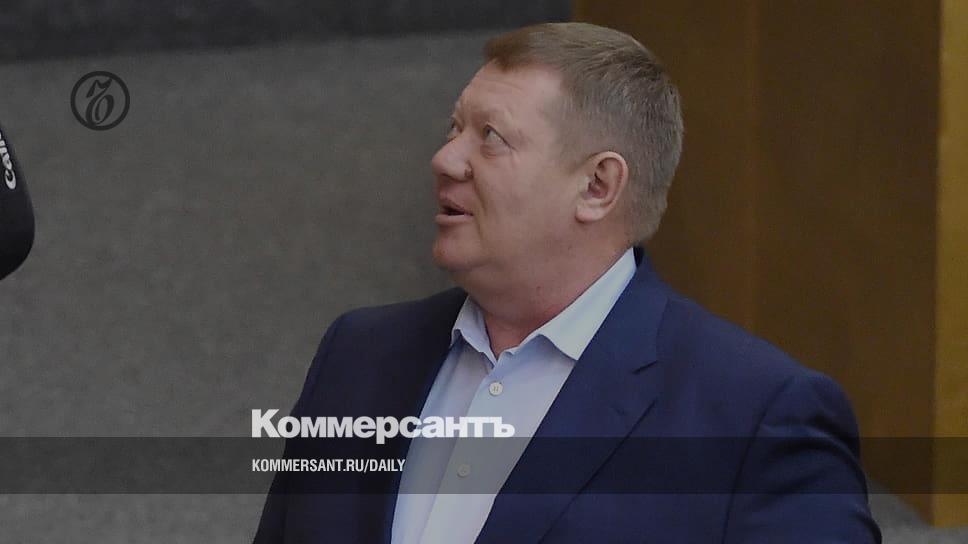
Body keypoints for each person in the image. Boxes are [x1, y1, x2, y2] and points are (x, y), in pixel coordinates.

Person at [254, 22, 881, 543]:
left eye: (490, 138)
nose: (445, 159)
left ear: (597, 187)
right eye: (454, 129)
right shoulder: (359, 355)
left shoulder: (754, 417)